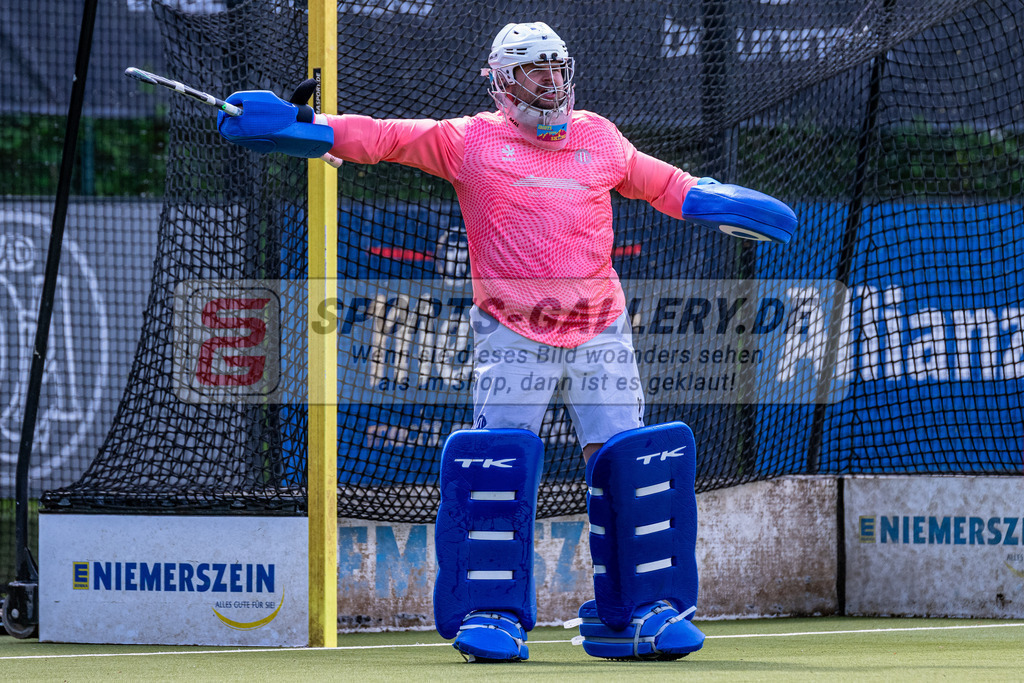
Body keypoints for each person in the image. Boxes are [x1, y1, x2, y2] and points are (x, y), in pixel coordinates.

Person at [219, 21, 793, 663]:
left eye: (556, 67)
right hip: (512, 332)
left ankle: (637, 613)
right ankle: (492, 613)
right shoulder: (469, 141)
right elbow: (383, 138)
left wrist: (710, 199)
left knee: (626, 465)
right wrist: (308, 128)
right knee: (497, 468)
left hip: (601, 326)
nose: (549, 80)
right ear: (501, 81)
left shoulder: (599, 135)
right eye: (533, 69)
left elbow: (658, 182)